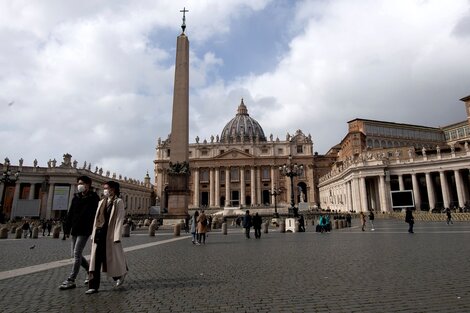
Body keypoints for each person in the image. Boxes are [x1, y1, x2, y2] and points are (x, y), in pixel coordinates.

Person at [86, 181, 128, 294]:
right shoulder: (101, 202)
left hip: (109, 234)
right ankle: (93, 286)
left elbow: (119, 218)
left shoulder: (118, 202)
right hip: (99, 233)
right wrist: (93, 234)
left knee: (109, 258)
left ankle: (119, 275)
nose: (105, 190)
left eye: (106, 188)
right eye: (104, 188)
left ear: (113, 189)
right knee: (95, 261)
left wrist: (117, 235)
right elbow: (96, 218)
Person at [59, 175, 100, 290]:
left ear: (88, 185)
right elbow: (70, 213)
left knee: (77, 253)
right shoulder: (76, 197)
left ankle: (71, 279)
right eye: (78, 183)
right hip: (75, 229)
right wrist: (66, 229)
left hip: (85, 229)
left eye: (82, 183)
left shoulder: (94, 197)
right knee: (75, 254)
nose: (79, 185)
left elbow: (96, 214)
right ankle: (89, 272)